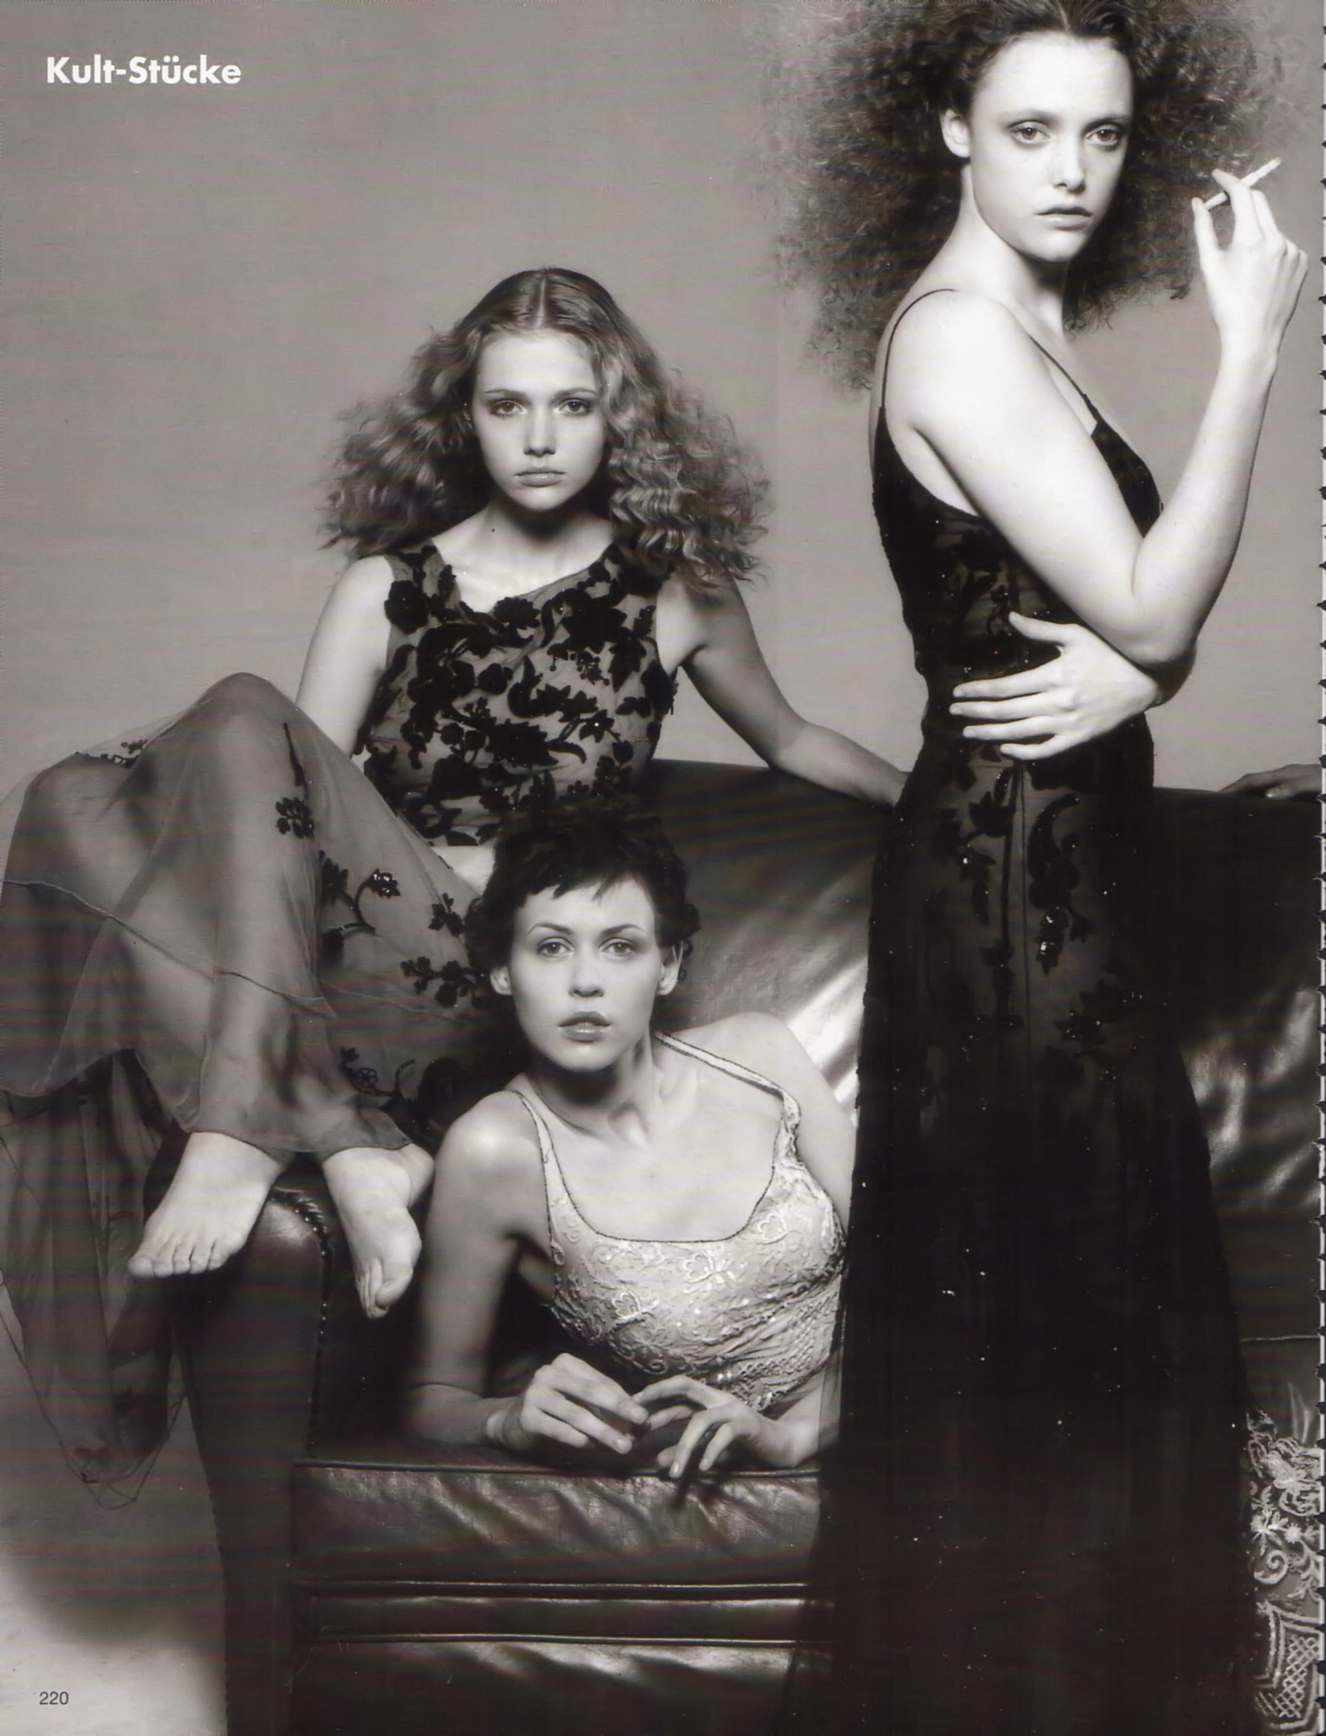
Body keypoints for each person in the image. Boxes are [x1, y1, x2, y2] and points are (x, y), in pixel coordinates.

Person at [0, 264, 1158, 1489]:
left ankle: (298, 1128)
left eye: (572, 405)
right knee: (103, 784)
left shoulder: (676, 591)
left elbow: (793, 737)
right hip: (361, 967)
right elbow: (281, 816)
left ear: (622, 419)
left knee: (230, 719)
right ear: (465, 419)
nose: (540, 438)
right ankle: (332, 1132)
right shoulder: (384, 587)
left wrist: (961, 806)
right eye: (508, 406)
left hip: (510, 975)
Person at [776, 3, 1306, 1733]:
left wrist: (1145, 672)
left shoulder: (1020, 327)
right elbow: (1147, 601)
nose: (1073, 170)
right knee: (1055, 1350)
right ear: (947, 128)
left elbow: (1127, 617)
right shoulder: (957, 340)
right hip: (1010, 890)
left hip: (1053, 876)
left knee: (1078, 1346)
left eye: (1103, 132)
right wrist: (1250, 350)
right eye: (1028, 131)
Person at [407, 802, 849, 1477]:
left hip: (913, 1393)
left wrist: (796, 1434)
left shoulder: (759, 1055)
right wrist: (508, 1419)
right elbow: (433, 1400)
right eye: (551, 947)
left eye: (620, 946)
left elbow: (919, 1269)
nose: (586, 982)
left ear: (667, 965)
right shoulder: (494, 1151)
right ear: (502, 969)